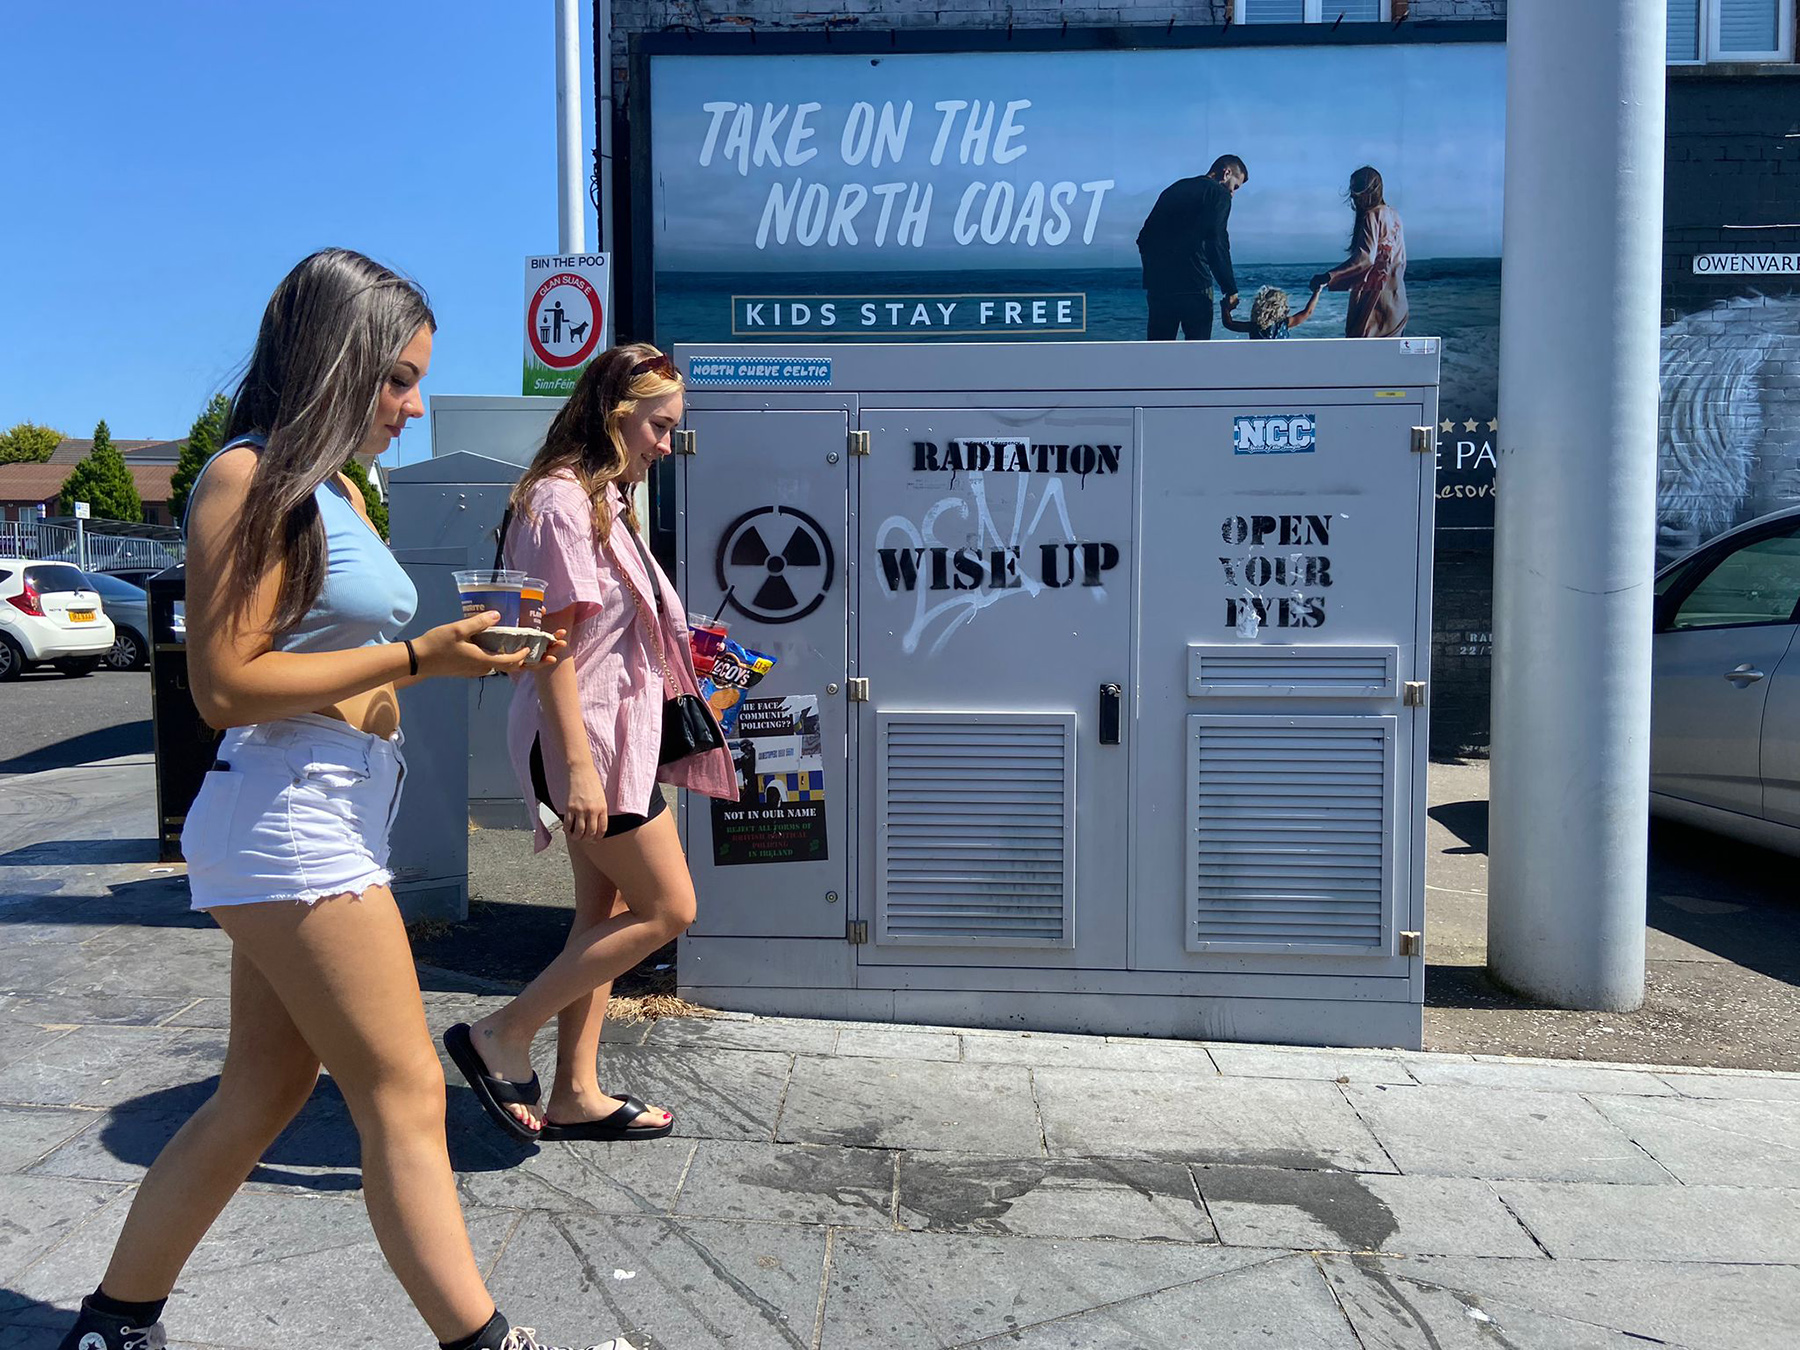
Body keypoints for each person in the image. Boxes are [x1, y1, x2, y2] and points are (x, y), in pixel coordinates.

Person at [55, 249, 629, 1350]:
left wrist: (459, 656)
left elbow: (341, 649)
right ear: (336, 362)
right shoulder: (246, 477)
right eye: (399, 379)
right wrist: (418, 660)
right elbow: (224, 686)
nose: (413, 408)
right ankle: (486, 1342)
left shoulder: (339, 489)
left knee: (260, 1093)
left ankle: (114, 1324)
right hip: (290, 813)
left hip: (331, 807)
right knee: (407, 1093)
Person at [442, 344, 737, 1144]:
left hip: (617, 739)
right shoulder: (561, 504)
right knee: (671, 906)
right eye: (659, 426)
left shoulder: (603, 501)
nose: (666, 445)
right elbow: (554, 647)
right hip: (589, 748)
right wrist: (577, 769)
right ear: (616, 414)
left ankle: (575, 1092)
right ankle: (501, 1033)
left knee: (599, 915)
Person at [1135, 153, 1247, 341]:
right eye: (1235, 186)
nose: (1233, 194)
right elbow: (1216, 242)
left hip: (1160, 288)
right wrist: (1229, 289)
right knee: (1197, 356)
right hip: (1196, 287)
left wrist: (1156, 274)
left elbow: (1143, 239)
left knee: (1157, 353)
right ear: (1226, 173)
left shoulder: (1174, 189)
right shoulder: (1219, 194)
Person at [1312, 165, 1409, 339]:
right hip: (1397, 303)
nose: (1352, 198)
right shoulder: (1395, 216)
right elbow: (1400, 261)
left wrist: (1328, 277)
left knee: (1363, 360)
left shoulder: (1372, 216)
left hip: (1375, 306)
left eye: (1354, 191)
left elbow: (1365, 259)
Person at [1221, 283, 1326, 340]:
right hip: (1281, 362)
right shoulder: (1284, 323)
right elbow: (1307, 312)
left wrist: (1225, 308)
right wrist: (1317, 292)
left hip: (1258, 363)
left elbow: (1228, 324)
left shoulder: (1254, 326)